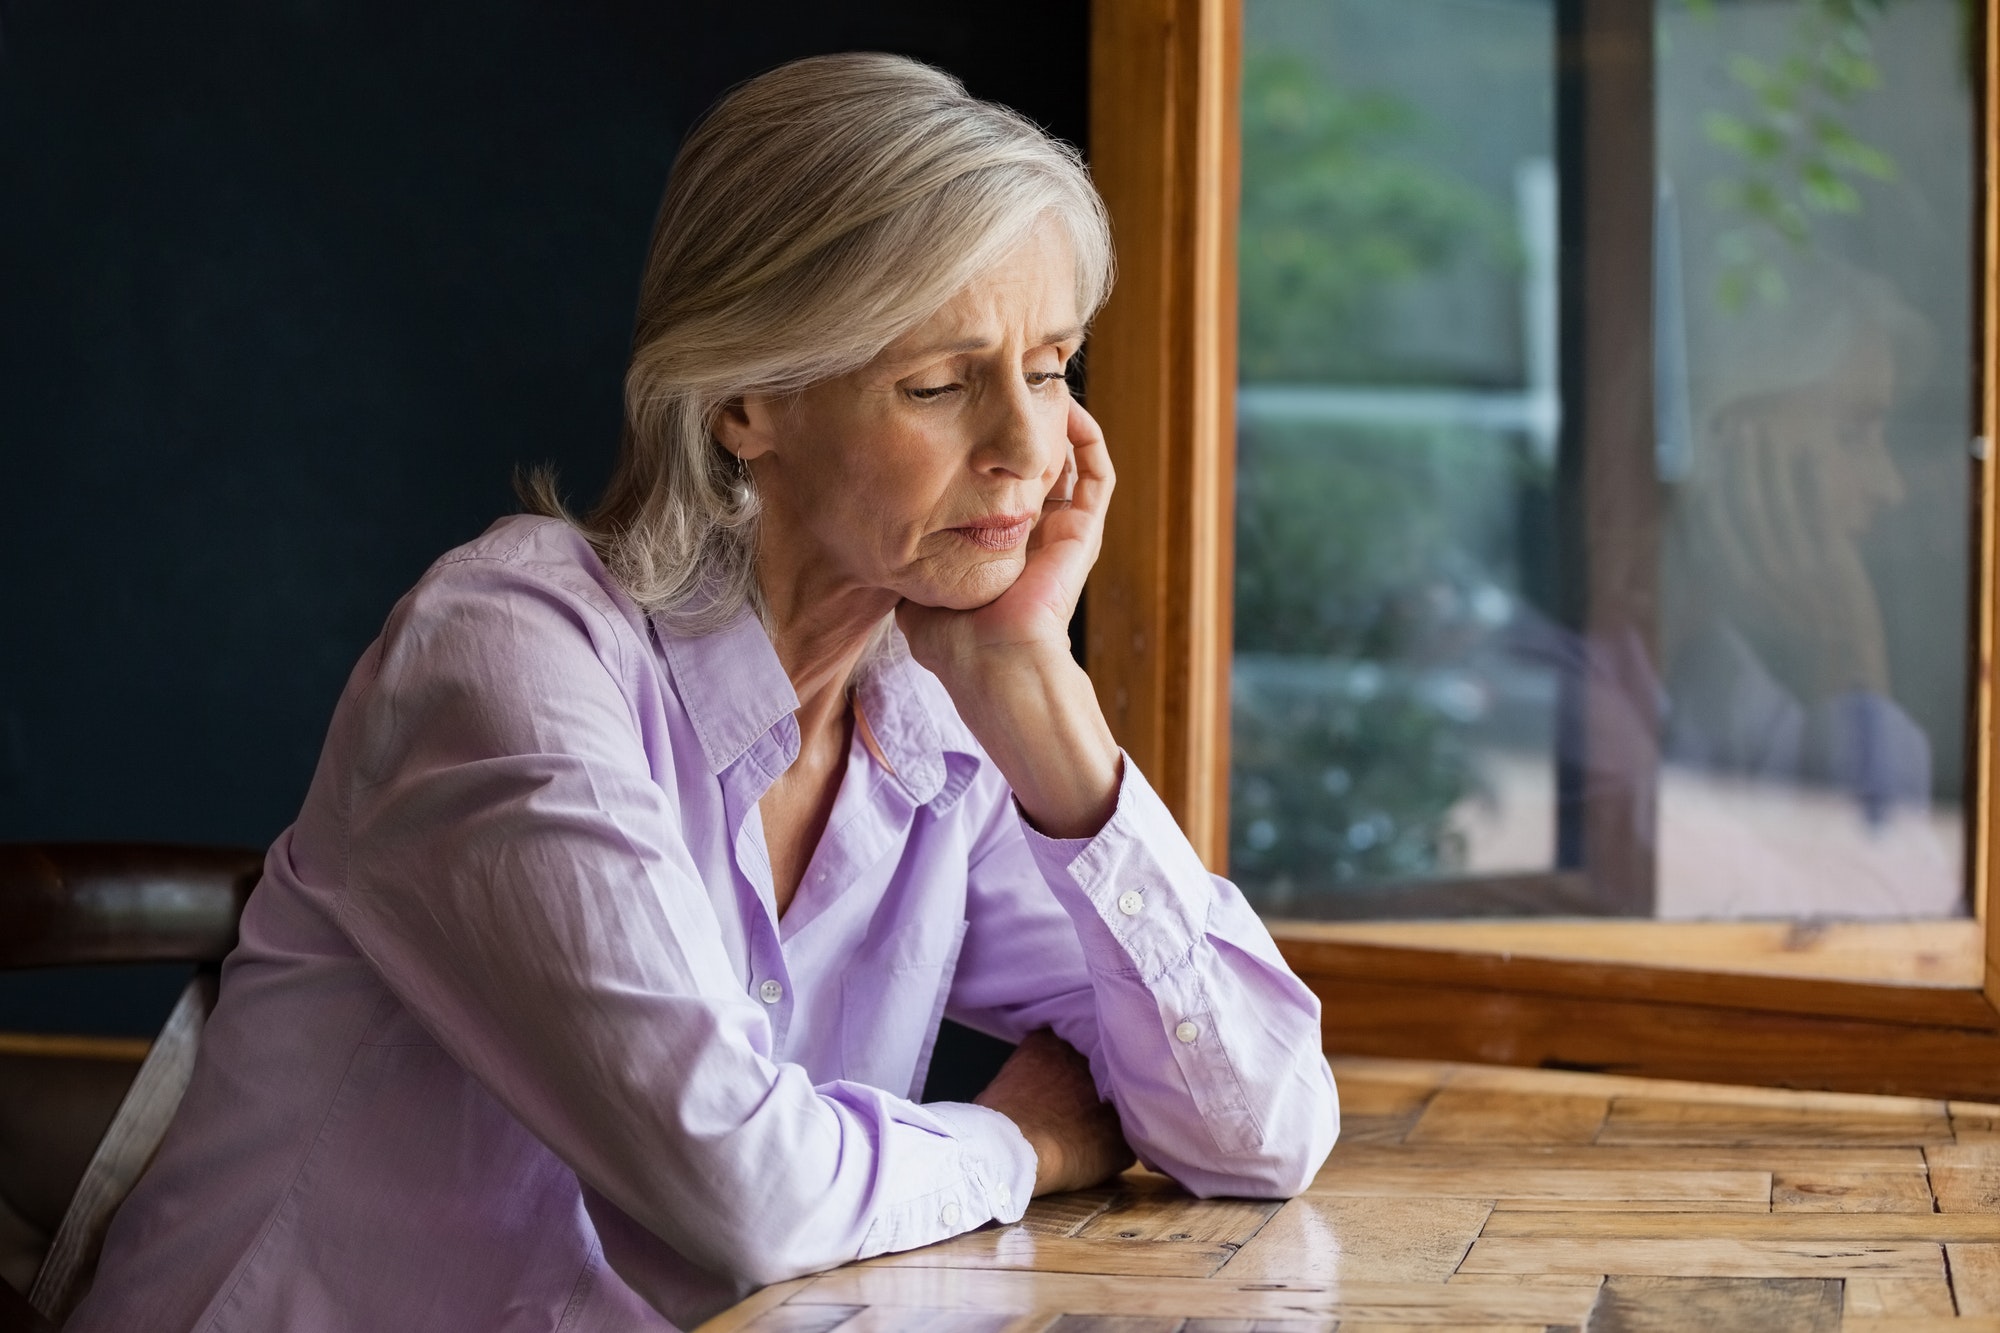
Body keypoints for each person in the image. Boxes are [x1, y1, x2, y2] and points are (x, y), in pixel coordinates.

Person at [68, 53, 1338, 1333]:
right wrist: (1016, 1144)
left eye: (1053, 366)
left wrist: (1035, 682)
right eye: (941, 383)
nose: (1025, 445)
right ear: (745, 399)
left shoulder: (932, 708)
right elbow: (742, 1195)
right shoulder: (505, 655)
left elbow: (1262, 1129)